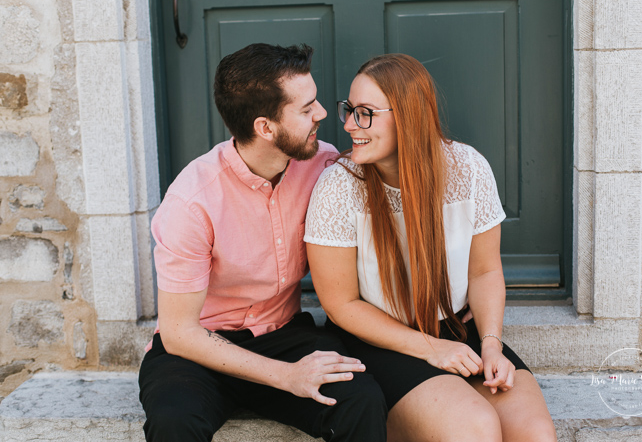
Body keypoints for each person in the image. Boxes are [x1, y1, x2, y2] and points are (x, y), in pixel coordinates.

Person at [138, 43, 387, 442]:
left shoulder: (324, 166)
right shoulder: (191, 200)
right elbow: (179, 332)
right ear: (265, 128)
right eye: (306, 110)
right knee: (174, 422)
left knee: (361, 400)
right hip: (201, 348)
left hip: (286, 333)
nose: (323, 114)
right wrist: (287, 377)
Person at [305, 53, 557, 442]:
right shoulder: (338, 188)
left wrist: (491, 344)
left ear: (408, 116)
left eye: (366, 113)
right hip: (380, 341)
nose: (350, 125)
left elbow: (484, 271)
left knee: (533, 435)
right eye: (350, 110)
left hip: (458, 329)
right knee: (474, 430)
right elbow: (340, 305)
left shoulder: (468, 168)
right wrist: (428, 348)